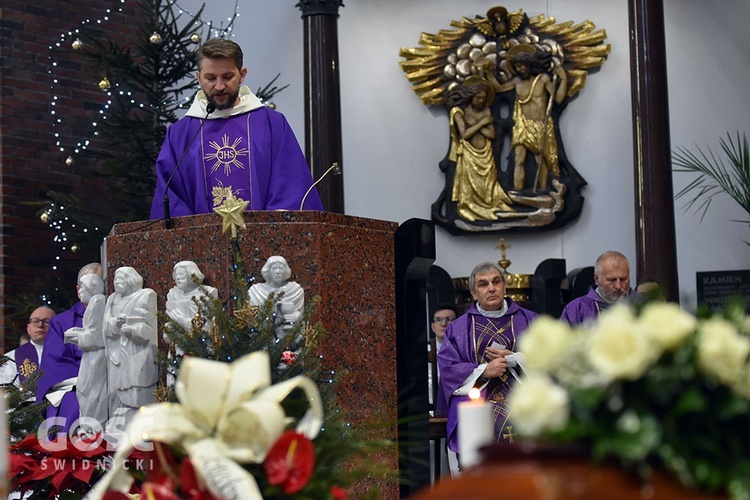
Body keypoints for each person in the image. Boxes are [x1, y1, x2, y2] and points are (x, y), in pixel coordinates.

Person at [150, 38, 324, 219]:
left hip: (263, 242)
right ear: (198, 77)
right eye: (210, 78)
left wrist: (271, 230)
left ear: (242, 74)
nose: (219, 86)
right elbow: (171, 196)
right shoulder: (181, 134)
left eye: (227, 77)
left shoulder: (272, 124)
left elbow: (291, 185)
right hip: (201, 243)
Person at [437, 262, 538, 467]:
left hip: (524, 411)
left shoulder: (531, 321)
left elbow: (550, 360)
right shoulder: (458, 329)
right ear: (473, 293)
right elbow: (448, 370)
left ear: (504, 287)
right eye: (483, 284)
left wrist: (514, 359)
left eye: (496, 282)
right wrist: (484, 371)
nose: (491, 288)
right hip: (479, 413)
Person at [489, 44, 567, 192]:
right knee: (519, 159)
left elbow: (558, 99)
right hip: (522, 125)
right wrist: (488, 74)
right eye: (517, 66)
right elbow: (499, 89)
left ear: (530, 65)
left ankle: (541, 191)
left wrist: (563, 80)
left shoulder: (543, 79)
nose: (519, 70)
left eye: (521, 66)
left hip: (540, 125)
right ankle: (518, 192)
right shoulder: (516, 82)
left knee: (540, 161)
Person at [37, 262, 101, 433]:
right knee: (74, 404)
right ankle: (74, 456)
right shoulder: (62, 322)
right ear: (78, 289)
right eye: (86, 284)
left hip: (113, 380)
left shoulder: (113, 315)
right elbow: (56, 365)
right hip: (77, 383)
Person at [446, 76, 513, 221]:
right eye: (479, 98)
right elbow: (464, 134)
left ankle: (490, 205)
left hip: (486, 154)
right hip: (470, 154)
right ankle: (472, 208)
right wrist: (481, 123)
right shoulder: (460, 112)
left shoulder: (486, 111)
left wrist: (478, 125)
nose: (482, 101)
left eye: (484, 98)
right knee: (472, 187)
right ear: (471, 97)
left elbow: (492, 134)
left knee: (489, 185)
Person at [103, 267, 158, 426]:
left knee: (136, 392)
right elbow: (106, 327)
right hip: (117, 354)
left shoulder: (145, 295)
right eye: (115, 279)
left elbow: (150, 327)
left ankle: (137, 426)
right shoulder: (112, 299)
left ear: (131, 279)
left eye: (121, 279)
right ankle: (117, 424)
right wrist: (116, 323)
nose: (117, 282)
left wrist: (132, 331)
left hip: (137, 352)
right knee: (115, 390)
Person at [63, 272, 108, 434]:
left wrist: (73, 336)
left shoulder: (98, 302)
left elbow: (96, 338)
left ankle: (94, 429)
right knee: (85, 390)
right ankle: (89, 427)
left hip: (97, 356)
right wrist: (78, 332)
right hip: (91, 356)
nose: (79, 291)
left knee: (92, 391)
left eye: (83, 287)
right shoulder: (93, 305)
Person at [561, 251, 635, 326]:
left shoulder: (643, 305)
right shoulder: (576, 309)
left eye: (623, 279)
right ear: (597, 279)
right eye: (611, 280)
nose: (618, 286)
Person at [248, 256, 304, 336]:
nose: (278, 271)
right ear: (268, 271)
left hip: (288, 338)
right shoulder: (255, 291)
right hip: (262, 338)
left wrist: (295, 317)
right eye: (274, 268)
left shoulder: (296, 290)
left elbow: (301, 314)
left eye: (281, 268)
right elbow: (251, 318)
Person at [0, 306, 55, 386]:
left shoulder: (69, 354)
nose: (40, 325)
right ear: (28, 328)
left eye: (47, 322)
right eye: (35, 321)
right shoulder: (10, 359)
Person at [165, 261, 219, 336]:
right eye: (176, 275)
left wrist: (184, 322)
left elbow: (209, 328)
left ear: (191, 274)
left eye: (181, 274)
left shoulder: (208, 293)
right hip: (178, 344)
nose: (177, 278)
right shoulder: (173, 294)